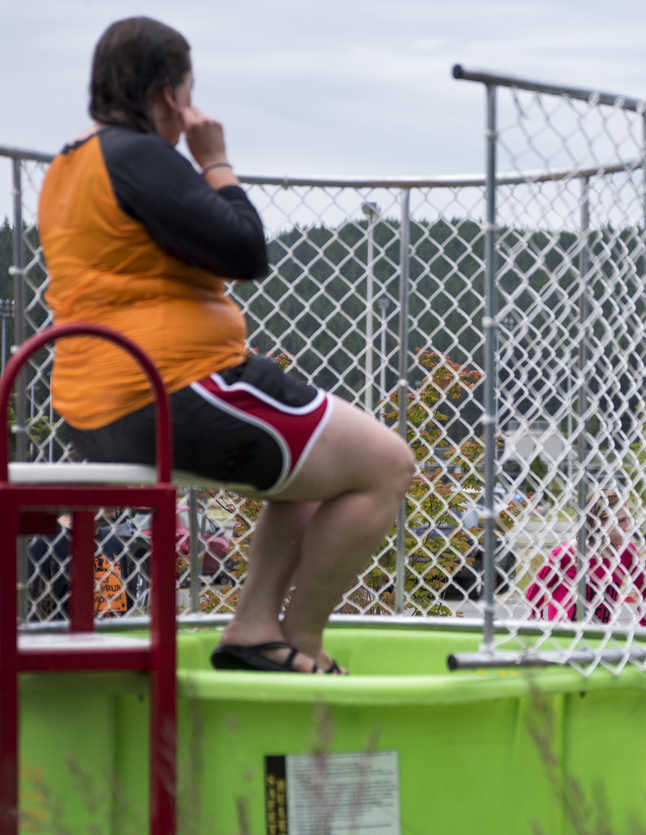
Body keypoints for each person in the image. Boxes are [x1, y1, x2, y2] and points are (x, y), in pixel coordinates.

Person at [37, 17, 415, 674]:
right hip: (170, 387)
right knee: (386, 465)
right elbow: (245, 250)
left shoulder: (70, 165)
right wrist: (213, 160)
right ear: (168, 93)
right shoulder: (138, 156)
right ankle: (301, 640)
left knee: (308, 471)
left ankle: (255, 628)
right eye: (188, 90)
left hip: (93, 403)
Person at [525, 491, 646, 626]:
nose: (628, 527)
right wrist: (538, 625)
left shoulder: (627, 552)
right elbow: (535, 592)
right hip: (564, 634)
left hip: (600, 634)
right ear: (599, 523)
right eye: (621, 521)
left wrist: (645, 626)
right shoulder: (567, 554)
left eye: (628, 519)